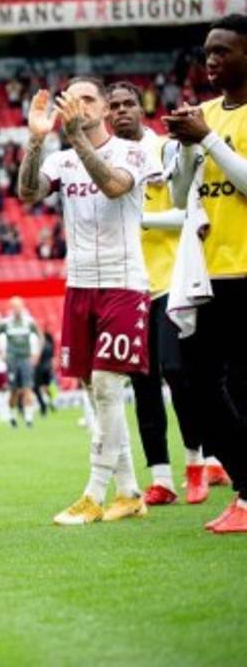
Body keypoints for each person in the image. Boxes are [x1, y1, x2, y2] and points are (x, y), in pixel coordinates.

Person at [17, 78, 158, 526]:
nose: (81, 105)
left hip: (123, 281)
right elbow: (27, 191)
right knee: (96, 395)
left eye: (89, 98)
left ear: (102, 108)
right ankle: (129, 491)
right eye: (73, 98)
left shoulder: (133, 150)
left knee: (107, 385)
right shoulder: (61, 158)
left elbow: (115, 187)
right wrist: (36, 139)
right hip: (79, 285)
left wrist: (77, 137)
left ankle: (94, 494)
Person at [107, 81, 209, 506]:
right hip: (128, 283)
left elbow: (189, 212)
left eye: (128, 103)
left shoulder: (166, 149)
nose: (121, 111)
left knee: (176, 370)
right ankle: (162, 477)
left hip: (171, 279)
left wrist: (142, 220)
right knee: (142, 383)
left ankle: (196, 462)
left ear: (142, 107)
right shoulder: (103, 162)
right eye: (113, 106)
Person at [165, 13, 247, 533]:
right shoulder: (207, 114)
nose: (211, 60)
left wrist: (210, 140)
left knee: (242, 387)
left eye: (223, 50)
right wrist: (188, 149)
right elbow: (179, 200)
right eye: (207, 51)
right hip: (207, 275)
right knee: (194, 389)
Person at [0, 297, 41, 428]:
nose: (17, 310)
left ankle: (28, 419)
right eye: (14, 307)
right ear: (11, 308)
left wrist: (37, 353)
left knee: (27, 388)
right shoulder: (6, 323)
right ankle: (12, 416)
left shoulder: (29, 322)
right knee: (13, 390)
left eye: (19, 307)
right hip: (12, 360)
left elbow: (40, 336)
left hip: (25, 358)